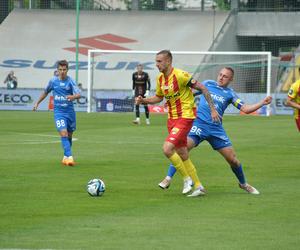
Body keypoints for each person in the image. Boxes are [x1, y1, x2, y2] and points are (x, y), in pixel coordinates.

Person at [158, 67, 273, 195]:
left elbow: (245, 109)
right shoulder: (207, 84)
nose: (221, 77)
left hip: (216, 129)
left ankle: (243, 184)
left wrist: (262, 103)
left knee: (233, 160)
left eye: (225, 76)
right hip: (198, 125)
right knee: (181, 150)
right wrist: (171, 101)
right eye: (220, 74)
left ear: (231, 79)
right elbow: (188, 92)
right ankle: (168, 178)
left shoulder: (230, 94)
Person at [136, 50, 220, 197]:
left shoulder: (181, 75)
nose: (157, 64)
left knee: (167, 149)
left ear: (168, 61)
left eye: (159, 61)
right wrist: (144, 100)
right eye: (156, 61)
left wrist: (213, 109)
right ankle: (199, 186)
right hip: (171, 119)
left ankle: (187, 179)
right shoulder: (160, 79)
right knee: (182, 152)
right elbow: (158, 98)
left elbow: (203, 88)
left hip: (186, 116)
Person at [33, 60, 81, 166]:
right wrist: (37, 103)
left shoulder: (71, 81)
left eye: (64, 70)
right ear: (57, 70)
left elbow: (78, 94)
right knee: (63, 133)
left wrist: (72, 97)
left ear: (67, 70)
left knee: (69, 135)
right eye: (60, 69)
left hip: (70, 112)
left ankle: (65, 156)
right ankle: (70, 157)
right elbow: (45, 92)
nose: (62, 72)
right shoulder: (53, 81)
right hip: (59, 113)